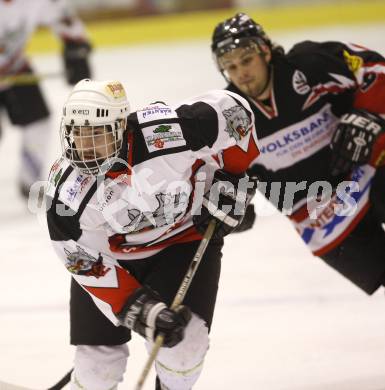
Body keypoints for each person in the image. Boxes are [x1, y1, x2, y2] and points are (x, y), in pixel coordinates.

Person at [46, 79, 259, 389]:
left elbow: (234, 112)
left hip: (182, 242)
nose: (86, 145)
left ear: (120, 126)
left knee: (185, 349)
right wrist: (139, 308)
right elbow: (82, 260)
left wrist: (233, 177)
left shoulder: (168, 132)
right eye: (78, 132)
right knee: (97, 368)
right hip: (112, 259)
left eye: (96, 132)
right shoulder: (67, 192)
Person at [211, 13, 385, 296]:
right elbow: (226, 177)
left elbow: (375, 70)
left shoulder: (309, 66)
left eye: (246, 60)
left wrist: (366, 115)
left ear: (265, 51)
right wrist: (230, 210)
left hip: (367, 169)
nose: (241, 73)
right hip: (320, 216)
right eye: (231, 67)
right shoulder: (230, 119)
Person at [0, 0, 91, 198]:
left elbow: (62, 16)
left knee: (38, 122)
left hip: (15, 68)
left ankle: (28, 179)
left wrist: (75, 46)